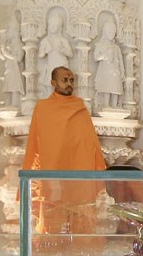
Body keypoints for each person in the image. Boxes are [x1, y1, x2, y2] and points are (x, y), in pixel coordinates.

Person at [22, 66, 106, 233]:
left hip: (79, 177)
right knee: (52, 231)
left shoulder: (79, 106)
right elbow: (35, 143)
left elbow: (89, 141)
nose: (69, 84)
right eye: (64, 80)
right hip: (54, 177)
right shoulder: (43, 107)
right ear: (53, 83)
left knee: (81, 229)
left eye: (71, 80)